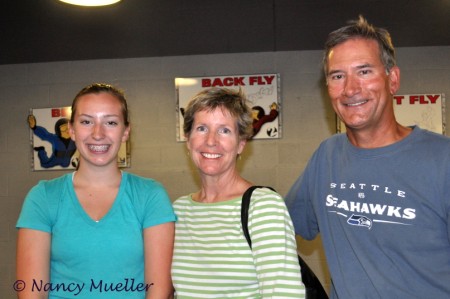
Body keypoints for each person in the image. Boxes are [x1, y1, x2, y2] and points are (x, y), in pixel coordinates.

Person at [286, 16, 450, 298]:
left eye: (364, 71)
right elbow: (273, 226)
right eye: (338, 76)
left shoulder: (443, 160)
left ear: (393, 79)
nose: (350, 89)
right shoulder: (326, 158)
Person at [16, 83, 176, 299]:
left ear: (126, 131)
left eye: (110, 122)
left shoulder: (150, 196)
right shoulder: (43, 197)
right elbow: (31, 293)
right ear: (72, 130)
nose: (98, 133)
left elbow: (159, 291)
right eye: (86, 121)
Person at [171, 87, 305, 298]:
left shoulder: (263, 207)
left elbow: (283, 293)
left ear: (241, 144)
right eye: (202, 128)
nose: (211, 141)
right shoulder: (178, 211)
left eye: (224, 130)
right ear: (188, 139)